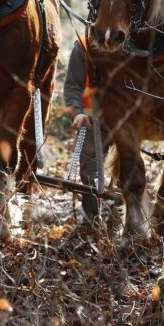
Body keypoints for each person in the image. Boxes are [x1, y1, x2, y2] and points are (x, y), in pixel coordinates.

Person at [63, 38, 111, 222]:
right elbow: (72, 86)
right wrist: (77, 112)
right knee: (89, 174)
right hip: (93, 121)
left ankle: (122, 222)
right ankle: (92, 221)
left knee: (128, 174)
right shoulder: (83, 47)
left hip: (125, 121)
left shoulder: (135, 42)